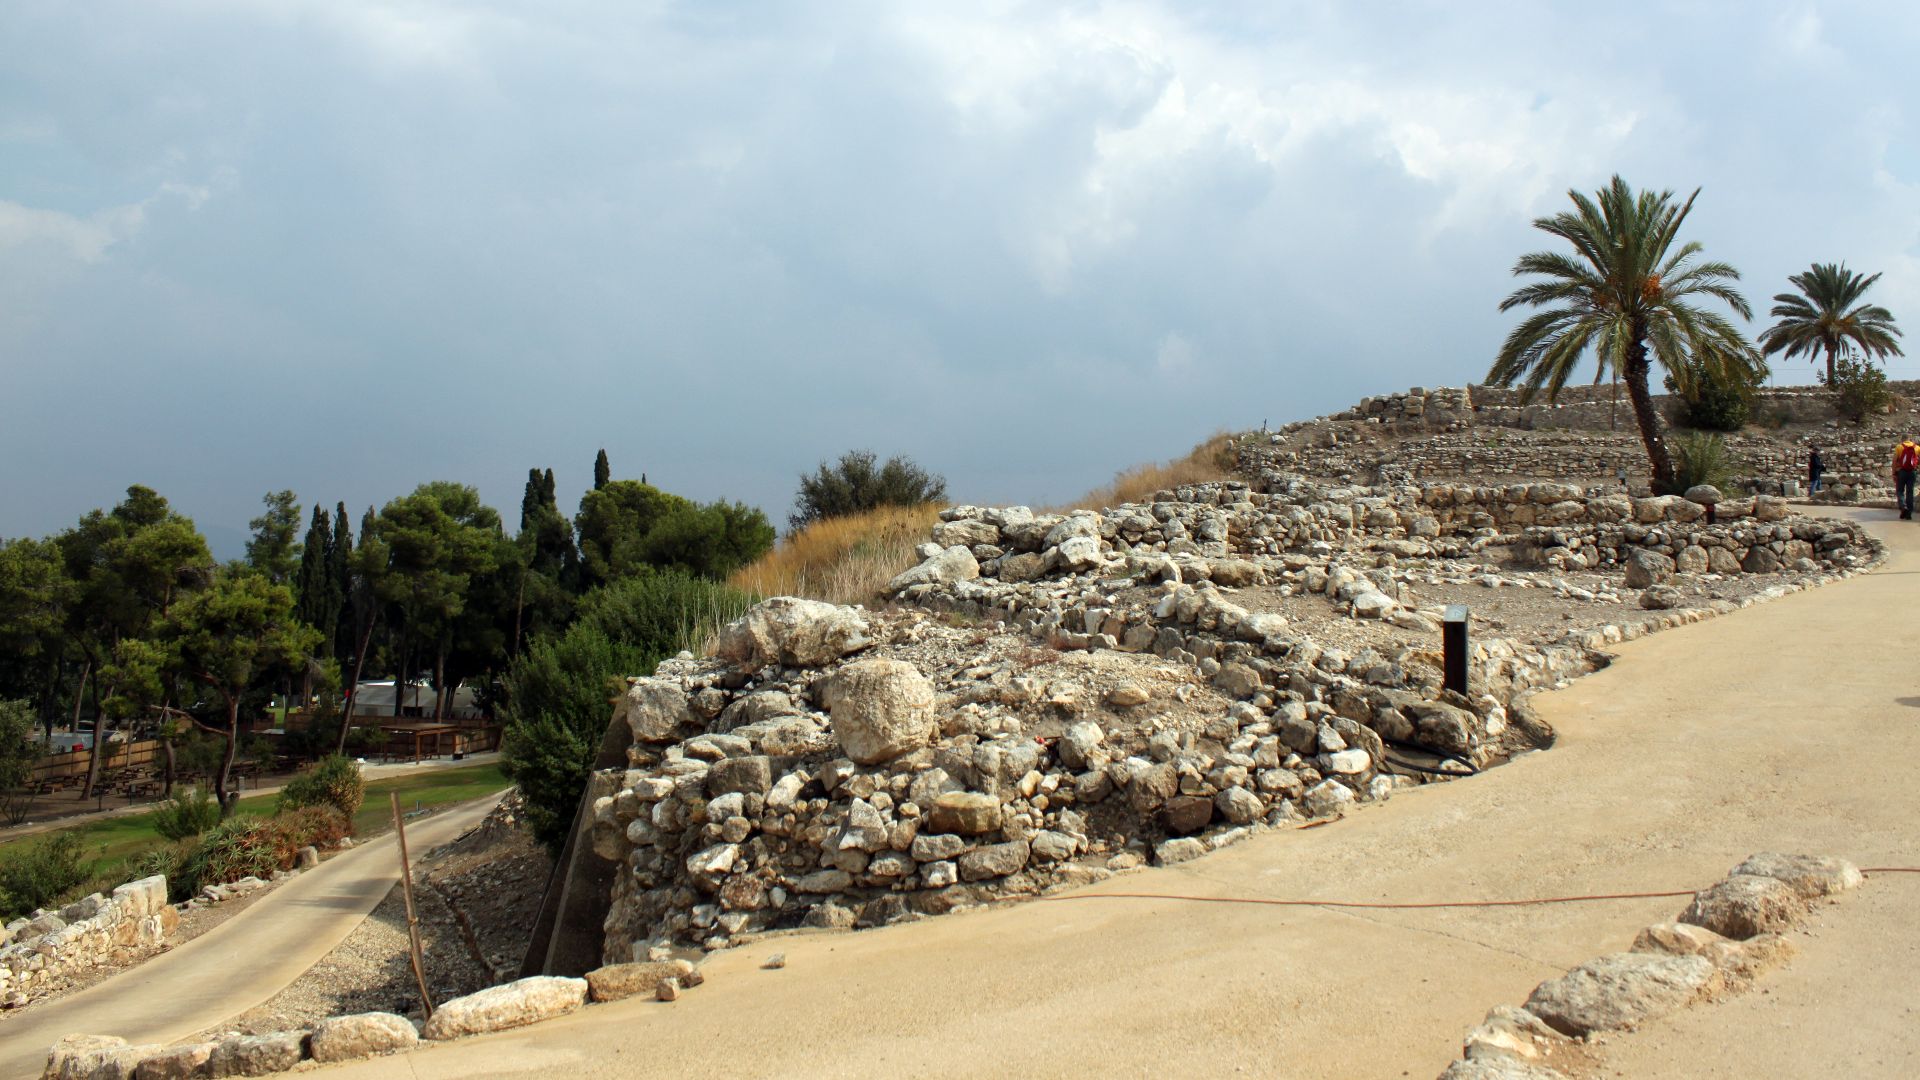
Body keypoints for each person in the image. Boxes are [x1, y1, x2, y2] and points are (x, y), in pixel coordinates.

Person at [1895, 438, 1919, 519]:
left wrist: (1893, 473)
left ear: (1902, 439)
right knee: (1910, 492)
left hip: (1902, 472)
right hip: (1912, 472)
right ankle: (1909, 513)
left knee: (1900, 490)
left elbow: (1894, 461)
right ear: (1910, 440)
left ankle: (1903, 507)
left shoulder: (1899, 447)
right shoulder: (1917, 448)